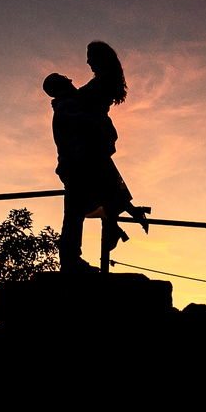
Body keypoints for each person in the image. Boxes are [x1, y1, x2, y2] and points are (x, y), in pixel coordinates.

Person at [44, 63, 147, 273]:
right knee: (74, 212)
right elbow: (88, 123)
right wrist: (106, 134)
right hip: (77, 165)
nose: (71, 80)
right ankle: (71, 259)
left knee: (78, 209)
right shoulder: (68, 105)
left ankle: (77, 254)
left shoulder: (68, 104)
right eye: (65, 78)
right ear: (60, 85)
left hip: (76, 164)